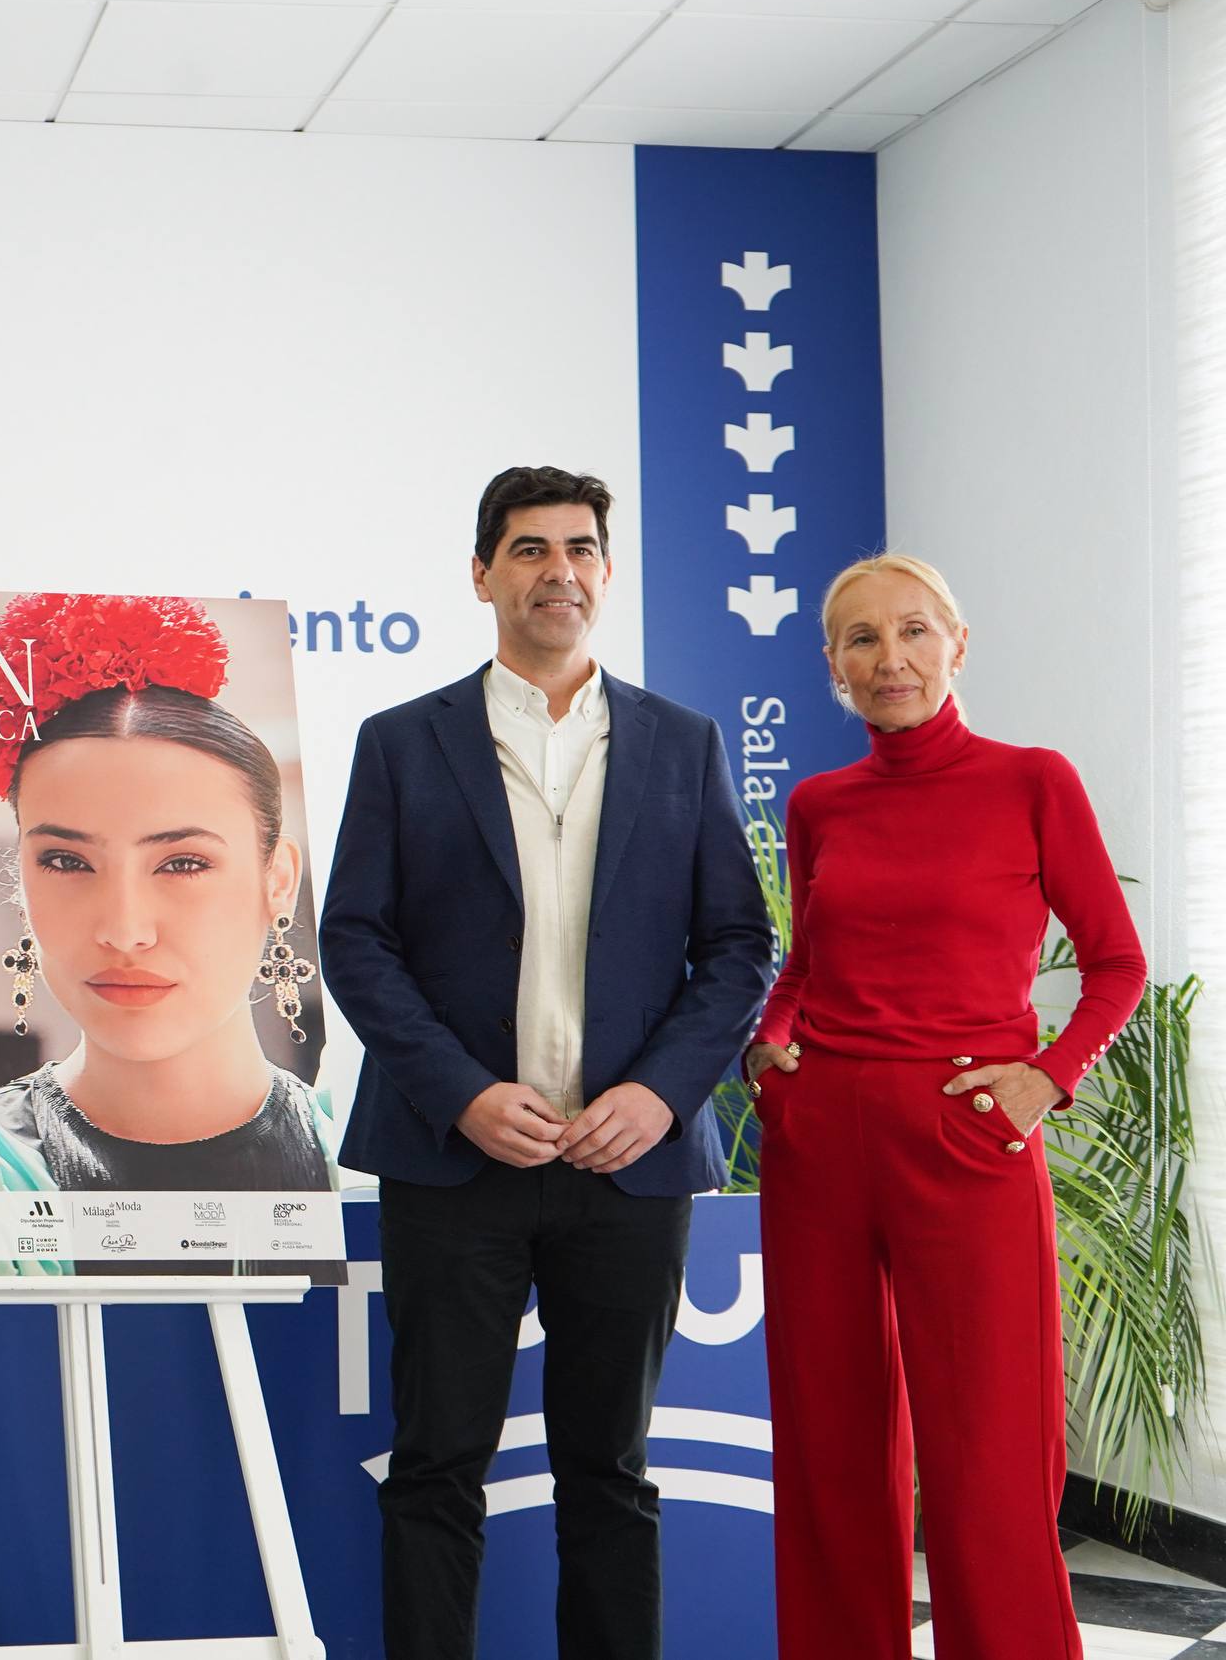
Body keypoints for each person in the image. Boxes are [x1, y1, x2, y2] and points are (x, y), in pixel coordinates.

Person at [322, 465, 772, 1660]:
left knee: (609, 1469)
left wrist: (658, 1093)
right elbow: (355, 940)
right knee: (435, 1466)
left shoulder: (682, 742)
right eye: (528, 549)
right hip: (453, 1159)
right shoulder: (402, 741)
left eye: (578, 549)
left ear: (606, 574)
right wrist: (461, 1092)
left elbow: (738, 945)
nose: (556, 571)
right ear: (482, 575)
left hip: (626, 1166)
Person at [745, 554, 1145, 1660]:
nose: (891, 658)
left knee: (989, 1450)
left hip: (967, 1135)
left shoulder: (1032, 781)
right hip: (820, 1138)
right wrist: (770, 1043)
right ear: (833, 666)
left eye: (914, 630)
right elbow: (804, 963)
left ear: (957, 644)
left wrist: (1047, 1076)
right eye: (862, 639)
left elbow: (1116, 963)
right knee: (828, 1442)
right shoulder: (819, 802)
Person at [0, 592, 339, 1233]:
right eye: (66, 861)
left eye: (182, 863)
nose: (124, 931)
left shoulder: (360, 1155)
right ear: (21, 877)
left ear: (278, 879)